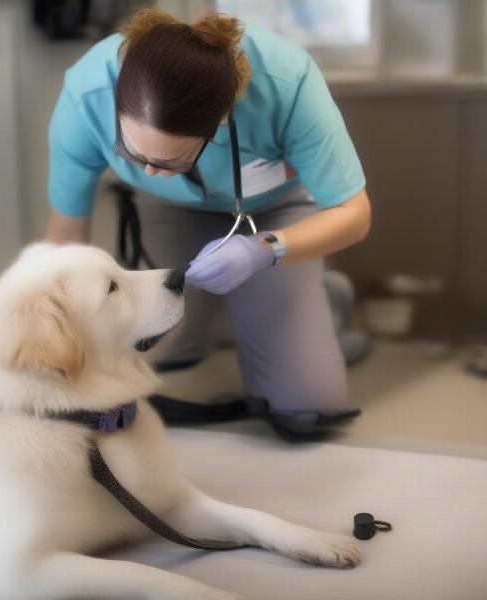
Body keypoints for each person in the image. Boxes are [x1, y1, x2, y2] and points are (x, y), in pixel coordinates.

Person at [44, 8, 372, 439]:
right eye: (133, 153)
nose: (148, 170)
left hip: (274, 211)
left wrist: (264, 250)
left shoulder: (288, 84)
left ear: (218, 123)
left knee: (304, 412)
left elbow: (353, 215)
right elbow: (66, 237)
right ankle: (226, 319)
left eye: (169, 160)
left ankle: (324, 302)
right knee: (149, 362)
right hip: (169, 208)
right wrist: (57, 333)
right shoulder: (86, 93)